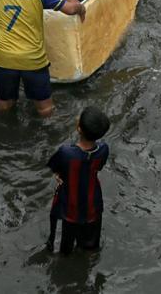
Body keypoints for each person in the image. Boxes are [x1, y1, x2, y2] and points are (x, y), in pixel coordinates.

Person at [47, 106, 111, 254]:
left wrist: (58, 174)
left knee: (65, 246)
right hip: (93, 205)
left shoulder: (66, 152)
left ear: (78, 129)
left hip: (70, 206)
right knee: (90, 244)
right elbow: (99, 166)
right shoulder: (104, 149)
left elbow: (55, 167)